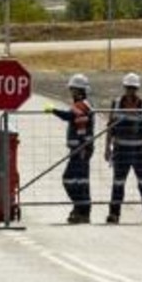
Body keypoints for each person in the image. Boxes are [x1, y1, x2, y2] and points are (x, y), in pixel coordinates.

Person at [104, 72, 142, 224]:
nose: (131, 91)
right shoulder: (116, 104)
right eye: (129, 88)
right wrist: (107, 147)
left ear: (137, 88)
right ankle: (114, 214)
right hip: (121, 151)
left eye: (133, 88)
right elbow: (110, 127)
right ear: (125, 87)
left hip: (140, 152)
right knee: (118, 183)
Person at [45, 73, 95, 224]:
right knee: (80, 181)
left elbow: (69, 116)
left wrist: (52, 110)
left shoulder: (83, 105)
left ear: (80, 91)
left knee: (69, 180)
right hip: (79, 149)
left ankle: (81, 208)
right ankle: (81, 211)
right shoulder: (82, 104)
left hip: (81, 149)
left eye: (73, 90)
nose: (71, 93)